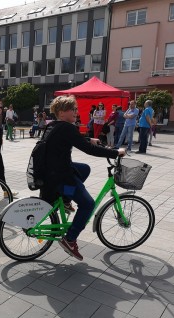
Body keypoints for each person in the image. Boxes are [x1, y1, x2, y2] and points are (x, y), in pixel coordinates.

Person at [41, 95, 125, 260]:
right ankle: (70, 239)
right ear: (62, 112)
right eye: (73, 109)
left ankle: (65, 200)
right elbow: (89, 151)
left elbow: (74, 140)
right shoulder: (67, 128)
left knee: (84, 168)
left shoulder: (54, 126)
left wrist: (88, 139)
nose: (77, 112)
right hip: (61, 177)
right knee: (88, 204)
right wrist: (115, 152)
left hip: (50, 172)